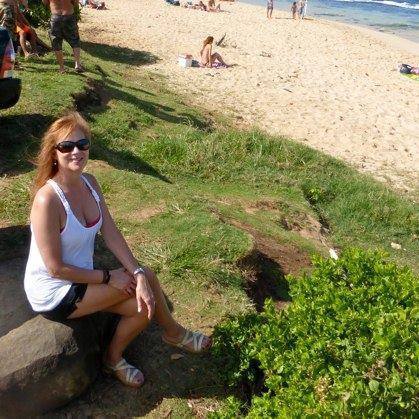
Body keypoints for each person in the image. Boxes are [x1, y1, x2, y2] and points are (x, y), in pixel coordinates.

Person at [24, 112, 212, 388]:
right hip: (55, 289)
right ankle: (173, 333)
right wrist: (109, 277)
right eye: (66, 146)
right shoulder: (48, 200)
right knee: (145, 289)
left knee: (144, 300)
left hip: (82, 277)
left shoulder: (90, 183)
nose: (76, 151)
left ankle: (114, 358)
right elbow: (55, 268)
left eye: (82, 144)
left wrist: (134, 272)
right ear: (54, 153)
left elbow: (109, 232)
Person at [42, 0, 83, 73]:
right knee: (75, 40)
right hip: (69, 15)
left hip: (55, 17)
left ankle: (62, 68)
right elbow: (76, 3)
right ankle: (77, 64)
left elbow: (45, 2)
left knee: (56, 42)